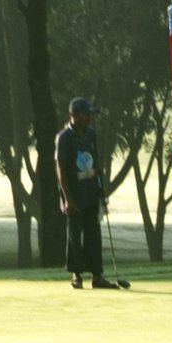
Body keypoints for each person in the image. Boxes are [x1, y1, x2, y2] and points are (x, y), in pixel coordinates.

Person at [54, 96, 118, 290]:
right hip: (73, 197)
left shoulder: (91, 134)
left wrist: (101, 192)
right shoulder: (64, 137)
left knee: (94, 236)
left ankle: (97, 276)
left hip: (90, 194)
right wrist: (67, 198)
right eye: (85, 114)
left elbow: (97, 164)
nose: (89, 117)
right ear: (73, 115)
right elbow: (60, 168)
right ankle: (76, 275)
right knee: (74, 237)